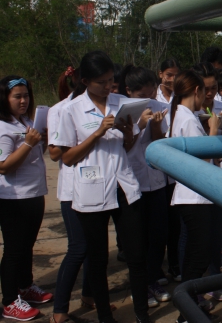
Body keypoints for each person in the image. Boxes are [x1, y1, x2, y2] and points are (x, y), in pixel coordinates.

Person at [54, 51, 150, 323]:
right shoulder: (71, 110)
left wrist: (128, 133)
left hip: (124, 185)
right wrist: (97, 132)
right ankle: (105, 317)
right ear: (85, 81)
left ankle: (142, 313)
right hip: (92, 188)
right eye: (102, 82)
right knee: (97, 259)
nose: (109, 86)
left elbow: (127, 146)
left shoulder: (122, 103)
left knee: (136, 255)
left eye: (110, 80)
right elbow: (67, 157)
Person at [49, 71, 103, 323]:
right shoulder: (61, 110)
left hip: (96, 184)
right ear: (85, 83)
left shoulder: (103, 107)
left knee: (94, 247)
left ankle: (89, 295)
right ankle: (59, 309)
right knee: (78, 248)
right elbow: (55, 153)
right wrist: (87, 136)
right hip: (72, 189)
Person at [169, 70, 221, 323]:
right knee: (199, 256)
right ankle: (187, 313)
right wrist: (213, 129)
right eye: (204, 91)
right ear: (197, 91)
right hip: (194, 197)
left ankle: (190, 309)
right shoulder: (188, 119)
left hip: (190, 195)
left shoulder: (181, 115)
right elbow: (203, 158)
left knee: (193, 255)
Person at [119, 65, 172, 307]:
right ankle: (140, 287)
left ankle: (153, 280)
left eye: (151, 94)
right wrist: (139, 125)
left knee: (158, 235)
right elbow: (123, 146)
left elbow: (161, 145)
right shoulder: (123, 110)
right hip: (133, 182)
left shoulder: (160, 107)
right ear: (129, 91)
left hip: (156, 180)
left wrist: (157, 127)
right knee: (138, 240)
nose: (148, 99)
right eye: (142, 95)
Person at [0, 76, 52, 321]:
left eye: (26, 96)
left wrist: (41, 140)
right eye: (17, 97)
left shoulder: (27, 122)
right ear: (4, 99)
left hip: (34, 193)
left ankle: (26, 286)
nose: (23, 101)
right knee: (14, 250)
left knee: (27, 245)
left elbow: (35, 155)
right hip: (13, 198)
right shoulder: (3, 127)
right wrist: (29, 144)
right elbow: (4, 166)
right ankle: (10, 301)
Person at [191, 62, 222, 303]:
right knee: (196, 239)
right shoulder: (188, 112)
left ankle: (214, 280)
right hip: (195, 184)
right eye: (205, 88)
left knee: (216, 234)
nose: (210, 93)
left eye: (213, 88)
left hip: (219, 180)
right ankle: (194, 286)